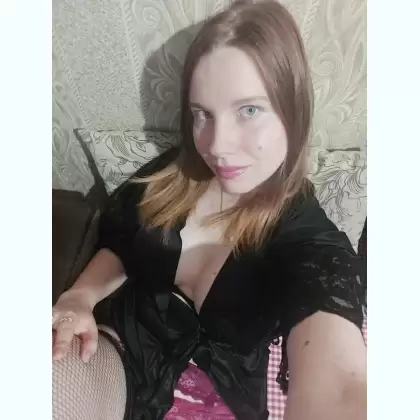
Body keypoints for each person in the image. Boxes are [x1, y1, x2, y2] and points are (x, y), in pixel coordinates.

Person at [52, 1, 367, 419]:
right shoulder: (174, 174)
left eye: (249, 110)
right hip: (128, 355)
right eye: (203, 114)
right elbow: (121, 241)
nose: (217, 146)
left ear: (293, 110)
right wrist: (80, 295)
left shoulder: (303, 235)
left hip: (225, 395)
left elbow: (339, 379)